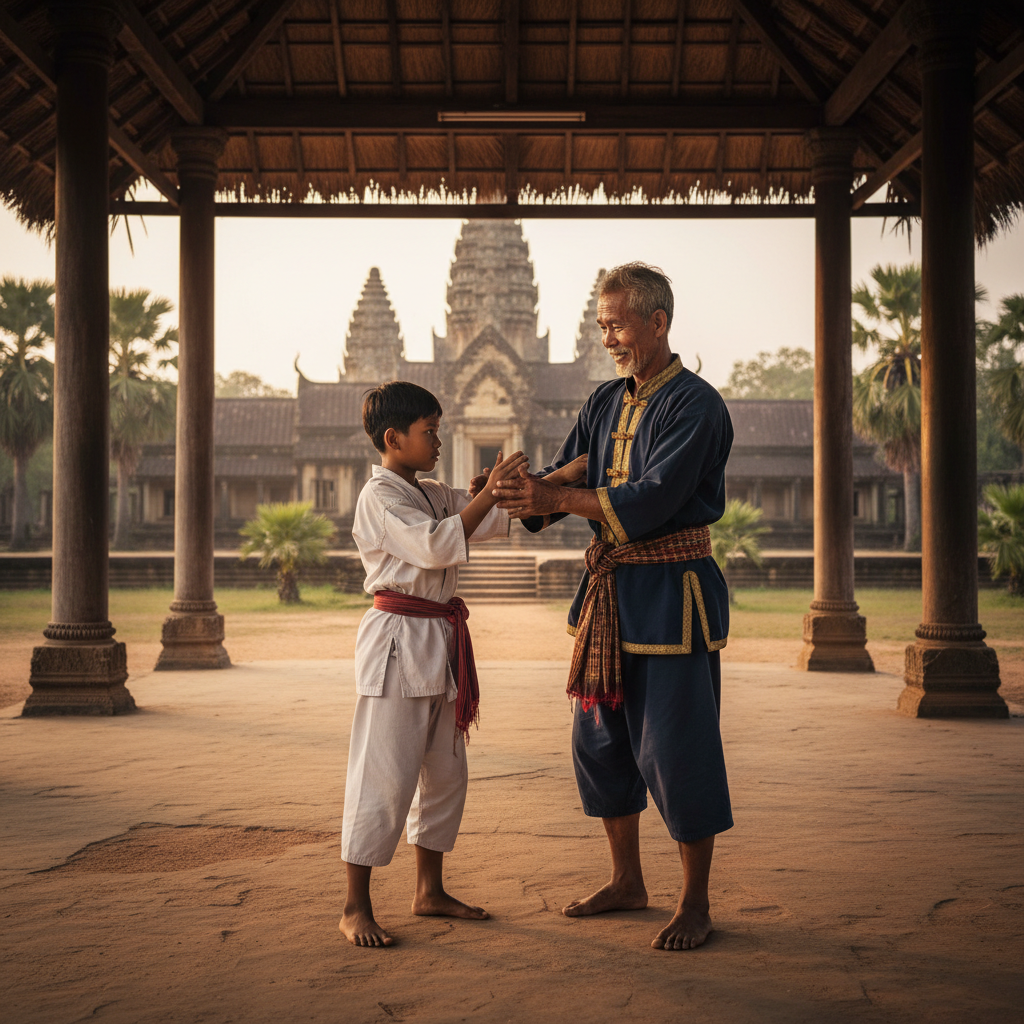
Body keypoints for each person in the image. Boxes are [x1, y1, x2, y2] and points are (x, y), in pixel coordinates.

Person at [492, 262, 734, 951]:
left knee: (676, 748)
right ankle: (627, 880)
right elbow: (573, 468)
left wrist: (554, 498)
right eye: (601, 325)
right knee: (600, 744)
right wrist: (515, 488)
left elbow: (652, 497)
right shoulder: (604, 401)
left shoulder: (695, 405)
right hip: (610, 598)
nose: (609, 337)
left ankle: (694, 900)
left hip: (671, 596)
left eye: (618, 323)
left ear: (658, 322)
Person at [340, 380, 528, 948]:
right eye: (430, 432)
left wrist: (509, 490)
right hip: (398, 640)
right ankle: (355, 905)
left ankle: (429, 890)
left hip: (440, 640)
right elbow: (437, 545)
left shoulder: (429, 491)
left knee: (444, 773)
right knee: (385, 774)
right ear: (394, 439)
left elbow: (483, 522)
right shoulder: (381, 498)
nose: (439, 440)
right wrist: (484, 495)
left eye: (440, 430)